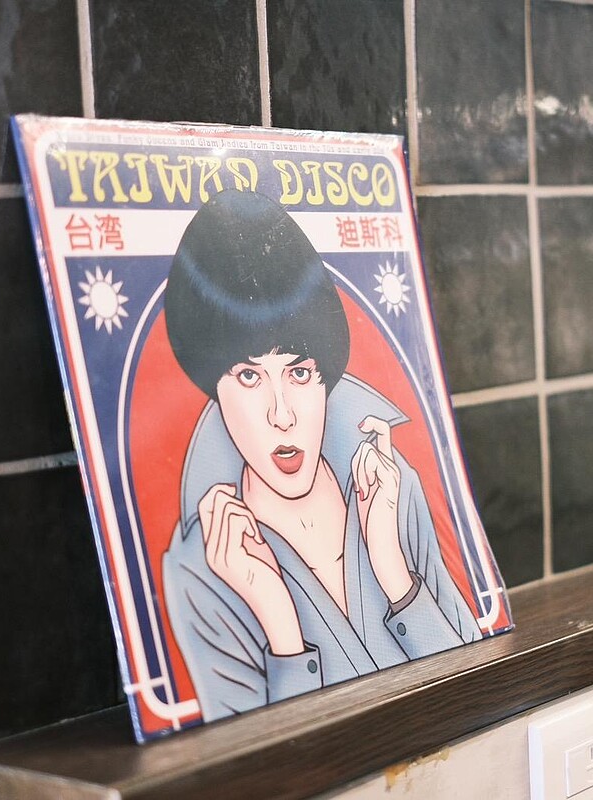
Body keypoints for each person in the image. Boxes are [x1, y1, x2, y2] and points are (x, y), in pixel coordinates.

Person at [161, 190, 481, 720]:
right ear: (213, 389)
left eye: (299, 372)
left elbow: (472, 686)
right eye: (249, 376)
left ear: (324, 377)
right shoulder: (198, 568)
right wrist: (282, 629)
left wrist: (394, 572)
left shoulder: (390, 486)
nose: (282, 414)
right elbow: (263, 760)